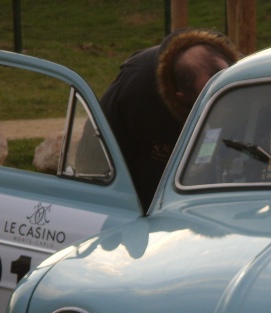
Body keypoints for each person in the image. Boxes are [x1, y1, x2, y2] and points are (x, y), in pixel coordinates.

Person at [100, 28, 242, 211]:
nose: (225, 107)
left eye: (225, 93)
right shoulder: (135, 87)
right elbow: (101, 153)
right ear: (182, 97)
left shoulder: (249, 76)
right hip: (146, 205)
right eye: (211, 99)